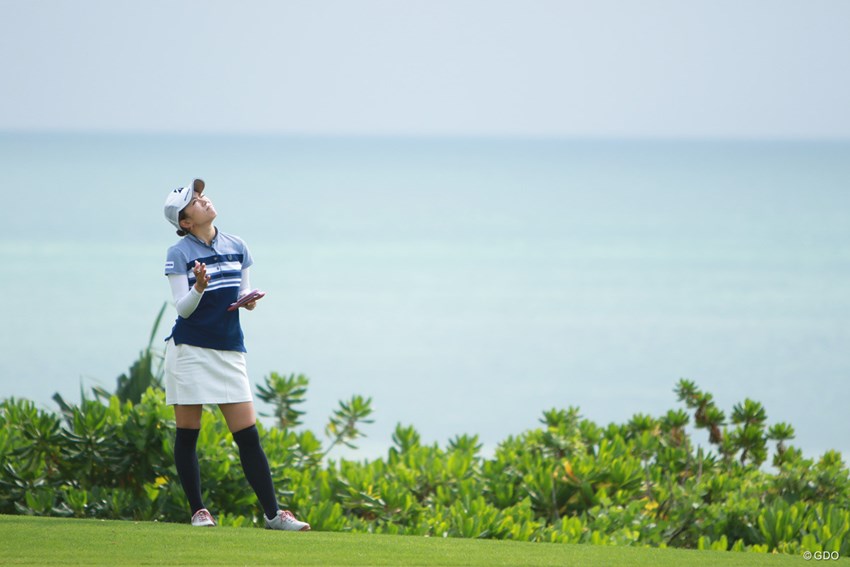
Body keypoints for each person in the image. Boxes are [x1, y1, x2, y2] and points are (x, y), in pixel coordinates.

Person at [162, 179, 310, 531]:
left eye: (201, 196)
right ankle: (199, 510)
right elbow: (183, 309)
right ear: (185, 222)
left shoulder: (237, 245)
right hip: (190, 350)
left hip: (229, 349)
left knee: (248, 436)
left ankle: (274, 515)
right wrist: (198, 287)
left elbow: (241, 293)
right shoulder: (178, 254)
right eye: (195, 202)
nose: (204, 200)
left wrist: (249, 301)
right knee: (188, 433)